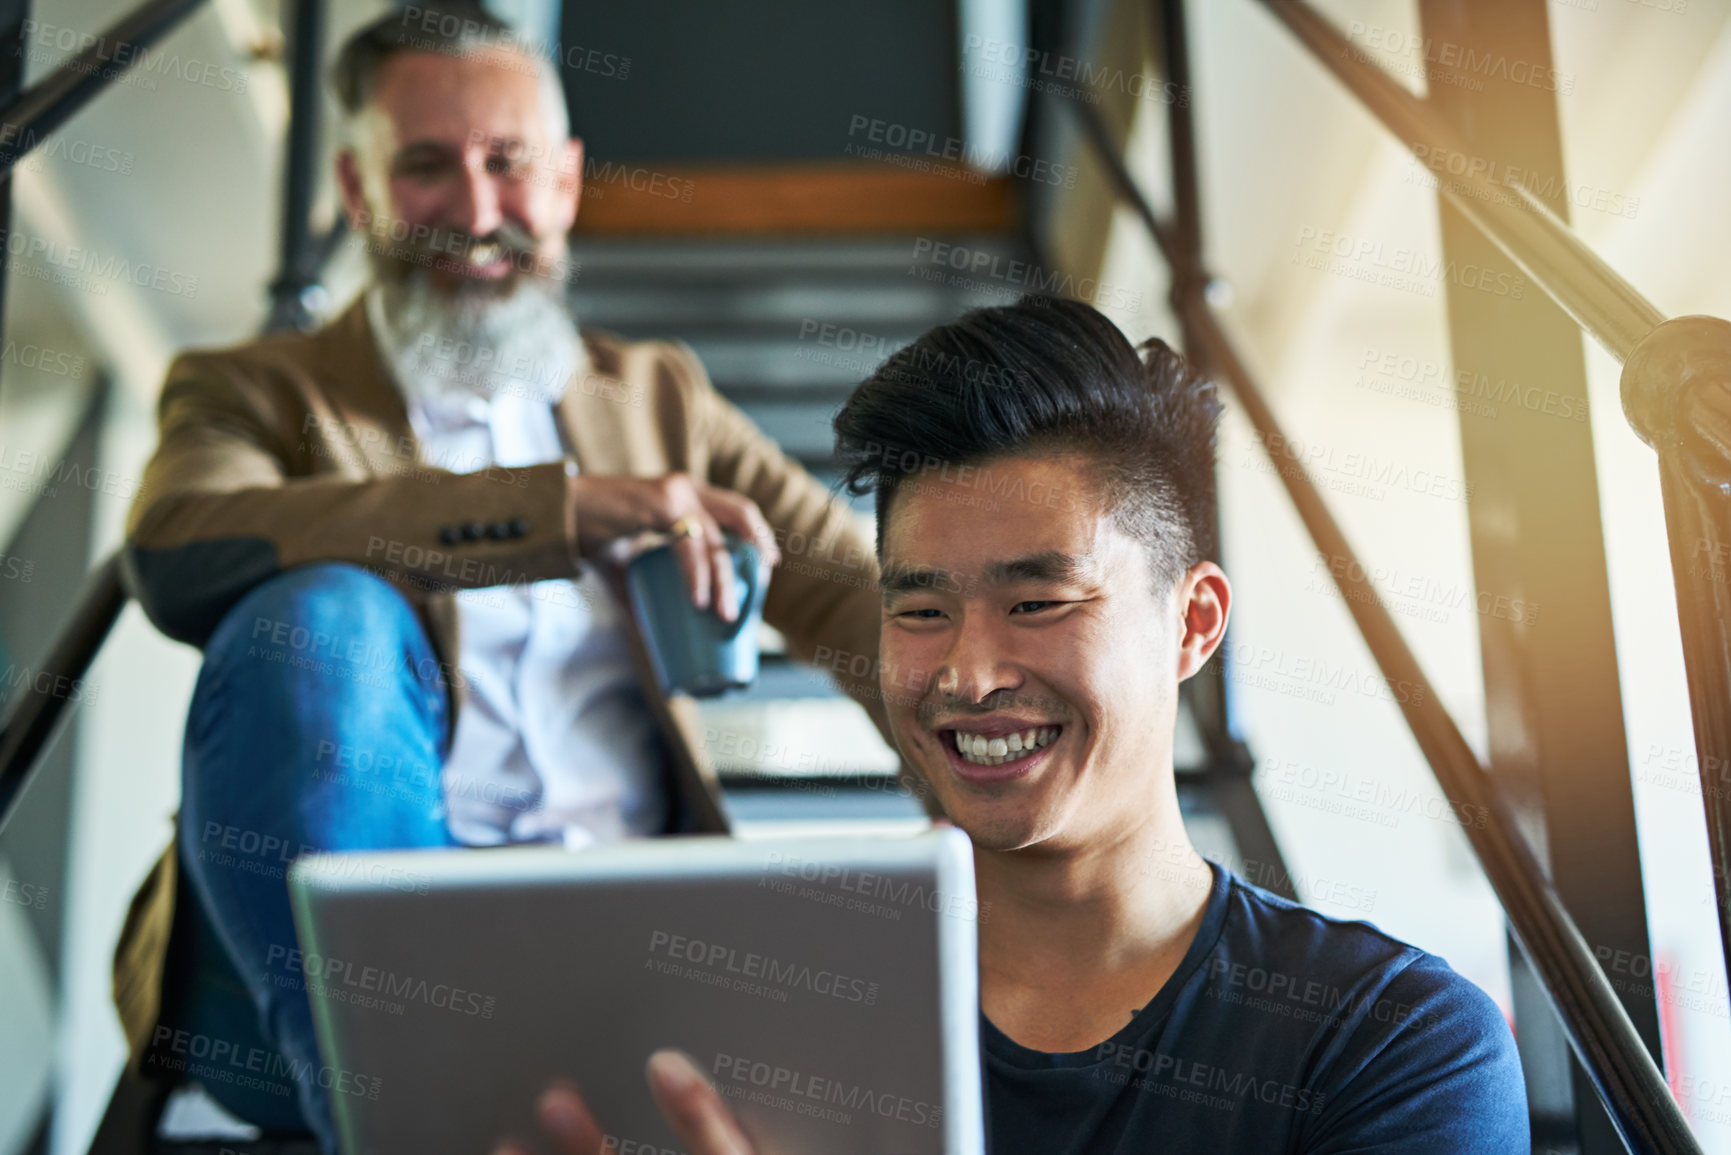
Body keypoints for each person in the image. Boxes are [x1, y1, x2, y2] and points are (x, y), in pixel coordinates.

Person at [111, 5, 890, 1147]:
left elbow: (856, 592)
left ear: (567, 182)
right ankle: (401, 1089)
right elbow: (177, 544)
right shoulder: (256, 390)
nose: (476, 212)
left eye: (508, 163)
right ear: (355, 184)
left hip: (634, 946)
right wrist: (555, 513)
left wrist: (1022, 806)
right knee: (323, 615)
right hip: (310, 971)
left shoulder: (659, 397)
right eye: (426, 166)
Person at [497, 297, 1528, 1154]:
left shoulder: (1387, 1041)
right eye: (920, 609)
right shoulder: (749, 1020)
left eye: (1038, 603)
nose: (969, 673)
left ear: (1194, 623)